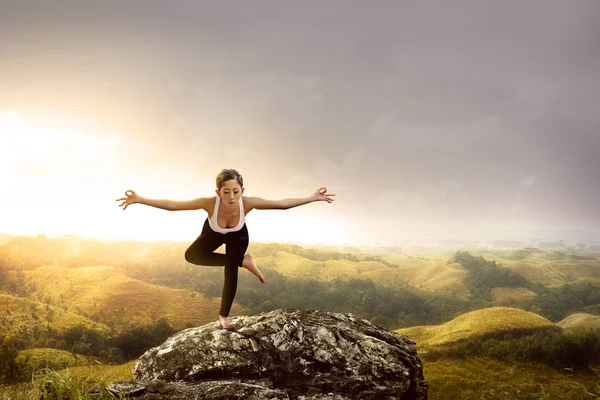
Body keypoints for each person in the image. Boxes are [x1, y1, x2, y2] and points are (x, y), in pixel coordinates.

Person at [116, 168, 335, 330]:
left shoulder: (247, 203)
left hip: (238, 237)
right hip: (212, 233)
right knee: (192, 255)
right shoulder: (209, 203)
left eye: (236, 191)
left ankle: (224, 316)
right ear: (218, 191)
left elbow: (282, 204)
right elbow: (173, 205)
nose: (231, 197)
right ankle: (244, 261)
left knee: (230, 270)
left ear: (242, 191)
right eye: (226, 192)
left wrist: (312, 197)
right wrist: (140, 199)